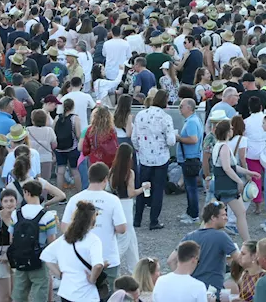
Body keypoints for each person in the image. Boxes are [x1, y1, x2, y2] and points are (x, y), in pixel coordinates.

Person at [62, 162, 129, 289]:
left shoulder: (75, 199)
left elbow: (65, 227)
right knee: (108, 294)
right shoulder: (113, 199)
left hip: (81, 257)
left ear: (89, 178)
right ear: (106, 179)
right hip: (107, 256)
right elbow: (122, 228)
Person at [130, 90, 175, 231]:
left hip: (144, 158)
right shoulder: (165, 117)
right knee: (157, 189)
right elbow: (171, 141)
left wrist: (140, 148)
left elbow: (134, 138)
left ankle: (137, 219)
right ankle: (153, 220)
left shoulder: (141, 115)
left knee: (143, 188)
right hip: (161, 157)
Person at [9, 179, 58, 302]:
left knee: (19, 295)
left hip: (20, 260)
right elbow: (52, 242)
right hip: (39, 261)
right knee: (40, 296)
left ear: (26, 192)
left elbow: (11, 239)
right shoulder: (47, 216)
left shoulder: (16, 214)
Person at [180, 202, 239, 295]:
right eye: (223, 215)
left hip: (192, 291)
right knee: (233, 286)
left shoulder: (189, 236)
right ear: (213, 218)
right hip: (213, 292)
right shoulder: (221, 236)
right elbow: (239, 259)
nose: (226, 218)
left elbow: (171, 260)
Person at [175, 98, 203, 225]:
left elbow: (193, 139)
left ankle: (193, 215)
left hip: (190, 158)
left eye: (182, 106)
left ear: (189, 108)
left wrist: (179, 138)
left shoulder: (191, 122)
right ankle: (190, 212)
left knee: (191, 187)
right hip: (190, 157)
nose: (179, 108)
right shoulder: (193, 120)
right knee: (189, 186)